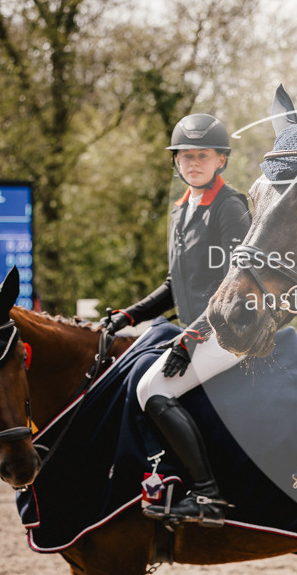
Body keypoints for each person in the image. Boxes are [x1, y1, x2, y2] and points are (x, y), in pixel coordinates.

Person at [101, 113, 250, 526]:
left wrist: (191, 336)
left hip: (230, 331)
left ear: (221, 160)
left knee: (152, 388)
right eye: (185, 156)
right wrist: (129, 314)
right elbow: (174, 284)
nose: (192, 163)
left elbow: (236, 285)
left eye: (202, 156)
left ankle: (208, 496)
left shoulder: (231, 207)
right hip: (194, 331)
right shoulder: (181, 209)